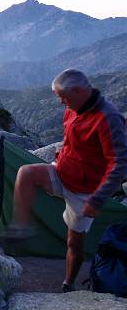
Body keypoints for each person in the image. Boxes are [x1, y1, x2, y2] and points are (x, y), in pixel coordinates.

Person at [12, 69, 127, 292]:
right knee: (26, 173)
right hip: (62, 173)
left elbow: (120, 163)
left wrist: (98, 200)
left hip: (84, 192)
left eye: (62, 97)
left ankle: (68, 284)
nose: (60, 102)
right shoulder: (72, 108)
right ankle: (20, 229)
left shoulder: (108, 118)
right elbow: (70, 140)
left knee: (74, 243)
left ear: (78, 91)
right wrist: (60, 157)